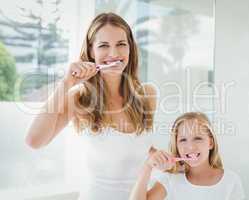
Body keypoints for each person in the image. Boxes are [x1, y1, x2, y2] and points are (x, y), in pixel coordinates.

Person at [25, 12, 157, 200]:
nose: (114, 54)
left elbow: (137, 147)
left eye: (121, 44)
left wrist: (163, 157)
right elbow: (34, 141)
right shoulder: (79, 99)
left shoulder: (148, 94)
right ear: (91, 51)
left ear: (130, 49)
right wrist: (66, 83)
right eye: (104, 46)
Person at [130, 112, 245, 200]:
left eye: (198, 138)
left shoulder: (231, 181)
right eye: (183, 140)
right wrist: (148, 167)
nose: (190, 147)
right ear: (177, 146)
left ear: (211, 143)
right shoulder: (170, 179)